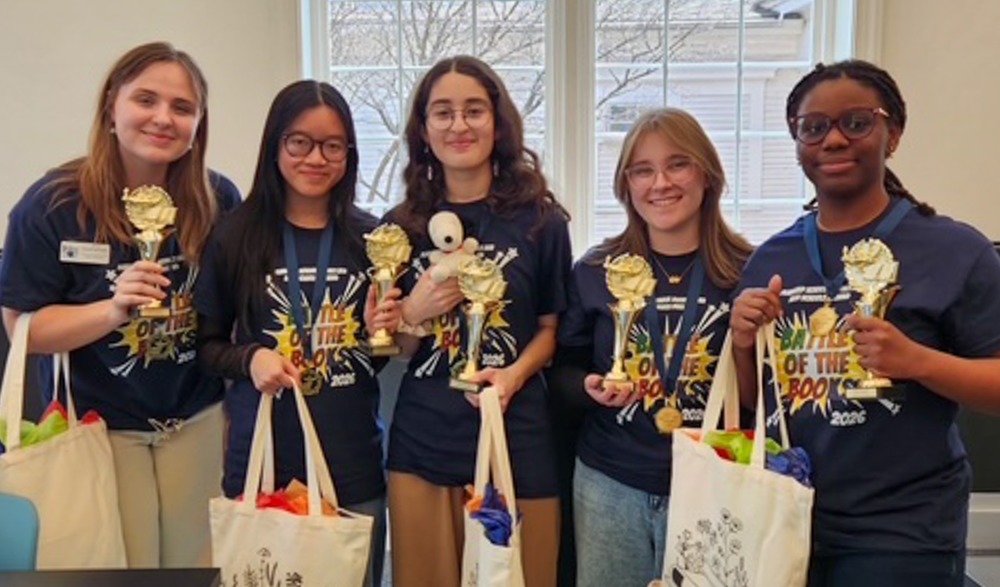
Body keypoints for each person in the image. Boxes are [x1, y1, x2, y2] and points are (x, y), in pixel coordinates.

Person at [730, 59, 1000, 587]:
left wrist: (917, 361)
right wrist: (743, 344)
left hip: (902, 531)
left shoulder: (954, 250)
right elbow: (753, 402)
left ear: (892, 134)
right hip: (788, 518)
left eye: (856, 122)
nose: (833, 140)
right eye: (813, 127)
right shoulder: (771, 259)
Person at [0, 42, 241, 567]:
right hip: (99, 431)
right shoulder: (53, 204)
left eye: (182, 108)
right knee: (120, 569)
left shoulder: (218, 198)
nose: (163, 118)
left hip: (195, 423)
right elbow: (23, 327)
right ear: (112, 106)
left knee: (195, 570)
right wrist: (111, 310)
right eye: (146, 100)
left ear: (199, 122)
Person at [193, 79, 397, 587]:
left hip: (350, 460)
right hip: (262, 460)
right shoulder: (234, 235)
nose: (316, 158)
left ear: (349, 154)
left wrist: (380, 334)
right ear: (275, 146)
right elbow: (204, 344)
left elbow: (376, 356)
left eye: (333, 145)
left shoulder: (372, 239)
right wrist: (251, 359)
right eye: (299, 142)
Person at [384, 55, 572, 587]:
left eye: (474, 110)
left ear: (498, 121)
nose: (459, 125)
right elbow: (391, 347)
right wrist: (415, 312)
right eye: (442, 112)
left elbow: (551, 329)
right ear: (424, 129)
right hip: (423, 441)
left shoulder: (541, 220)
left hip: (518, 439)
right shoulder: (399, 228)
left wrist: (513, 376)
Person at [549, 108, 752, 587]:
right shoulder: (597, 270)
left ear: (707, 174)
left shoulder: (748, 271)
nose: (660, 182)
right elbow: (562, 373)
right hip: (610, 483)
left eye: (677, 164)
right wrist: (589, 387)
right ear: (626, 186)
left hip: (714, 482)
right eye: (642, 170)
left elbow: (764, 392)